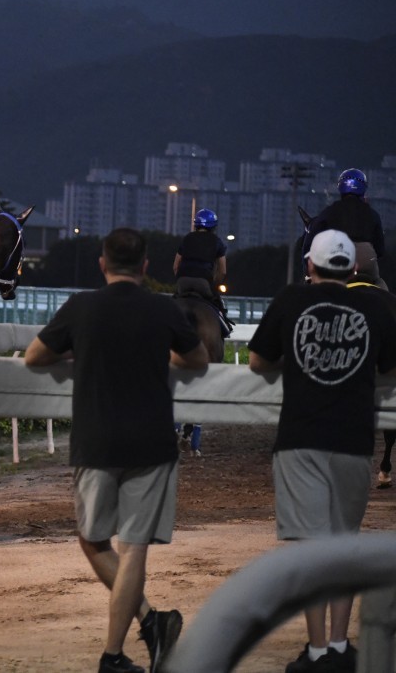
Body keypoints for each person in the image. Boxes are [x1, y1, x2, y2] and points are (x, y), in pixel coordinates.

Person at [24, 227, 209, 673]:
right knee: (135, 548)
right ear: (146, 267)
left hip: (96, 440)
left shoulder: (80, 307)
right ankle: (140, 631)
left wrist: (77, 355)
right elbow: (198, 359)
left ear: (102, 264)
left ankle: (125, 646)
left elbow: (33, 358)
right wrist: (165, 357)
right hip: (151, 442)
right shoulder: (161, 308)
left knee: (93, 541)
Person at [248, 229, 396, 673]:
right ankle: (338, 645)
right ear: (352, 269)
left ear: (310, 265)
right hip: (353, 442)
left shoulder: (291, 300)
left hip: (300, 440)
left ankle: (315, 652)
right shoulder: (376, 306)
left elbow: (257, 361)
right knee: (343, 547)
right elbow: (390, 366)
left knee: (308, 550)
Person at [302, 168, 386, 286]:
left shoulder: (329, 212)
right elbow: (380, 250)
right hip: (366, 256)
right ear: (364, 187)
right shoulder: (373, 214)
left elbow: (311, 240)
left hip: (338, 254)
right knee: (379, 284)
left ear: (340, 186)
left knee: (315, 286)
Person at [173, 208, 228, 314]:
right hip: (204, 283)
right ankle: (225, 326)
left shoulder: (187, 239)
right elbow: (222, 271)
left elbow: (176, 266)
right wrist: (214, 286)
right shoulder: (217, 242)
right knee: (218, 309)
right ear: (213, 226)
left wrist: (180, 278)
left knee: (173, 306)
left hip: (182, 281)